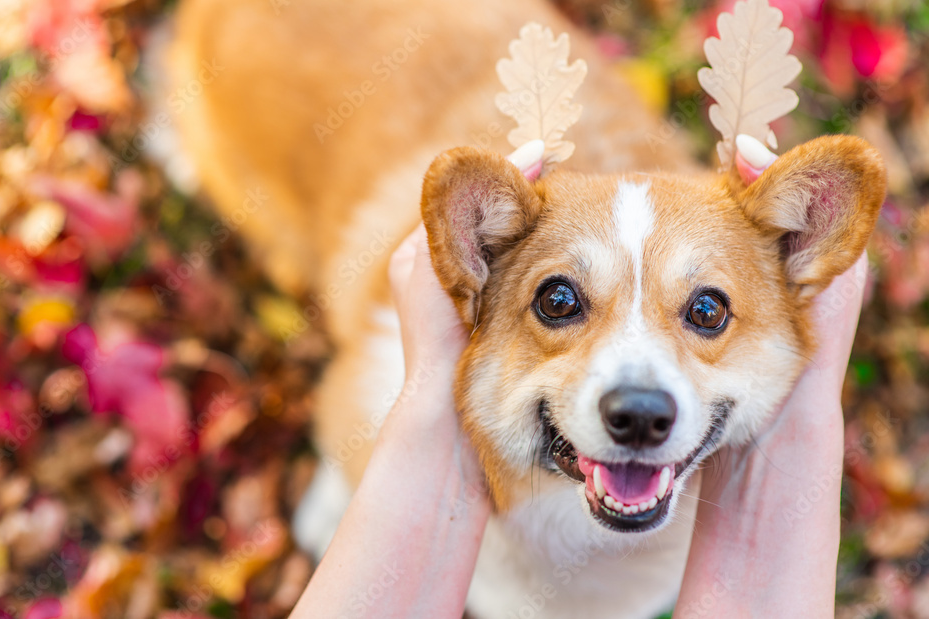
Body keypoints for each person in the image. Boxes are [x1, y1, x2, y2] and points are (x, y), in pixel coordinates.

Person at [290, 136, 862, 618]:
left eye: (705, 311)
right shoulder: (383, 377)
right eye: (561, 303)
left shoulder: (728, 239)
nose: (641, 403)